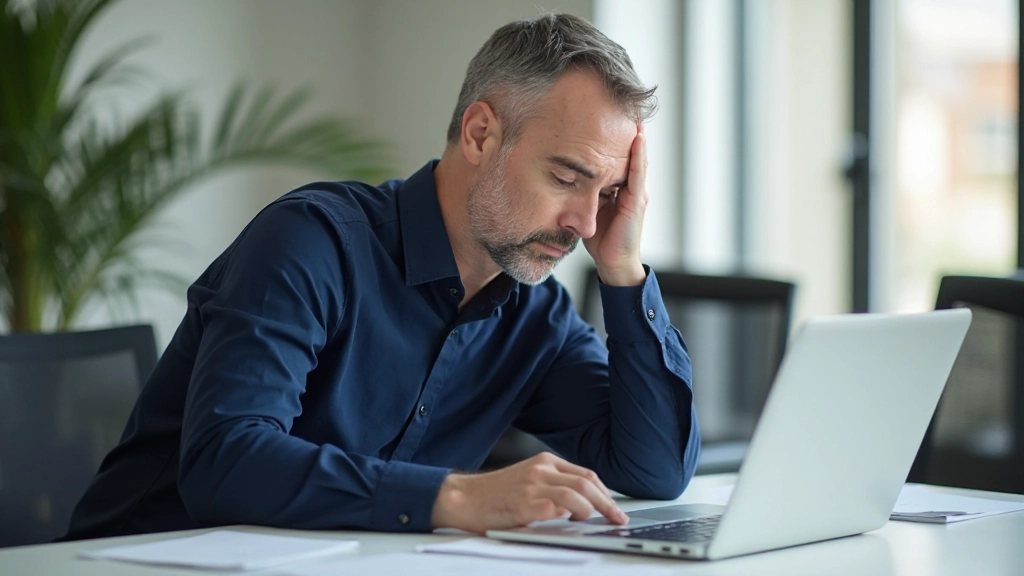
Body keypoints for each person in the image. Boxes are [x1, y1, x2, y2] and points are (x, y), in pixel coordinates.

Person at [62, 12, 700, 540]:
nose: (586, 223)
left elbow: (656, 471)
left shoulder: (537, 318)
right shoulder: (312, 243)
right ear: (481, 134)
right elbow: (224, 460)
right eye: (565, 178)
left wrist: (622, 268)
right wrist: (457, 497)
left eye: (608, 193)